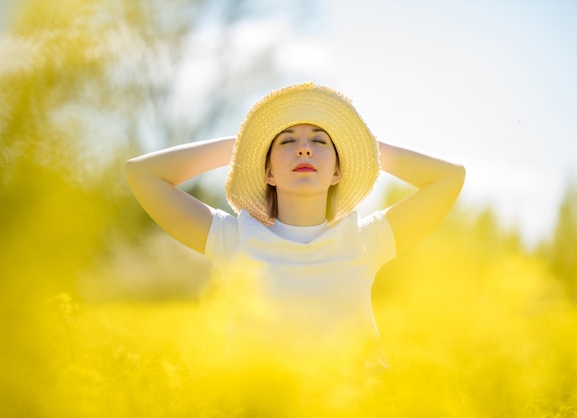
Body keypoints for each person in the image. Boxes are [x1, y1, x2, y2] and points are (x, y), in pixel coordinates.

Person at [125, 83, 465, 370]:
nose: (304, 148)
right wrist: (245, 143)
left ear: (337, 172)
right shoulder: (234, 237)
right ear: (267, 172)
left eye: (320, 142)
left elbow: (449, 178)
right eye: (286, 141)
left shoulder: (366, 238)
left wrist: (362, 145)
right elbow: (142, 174)